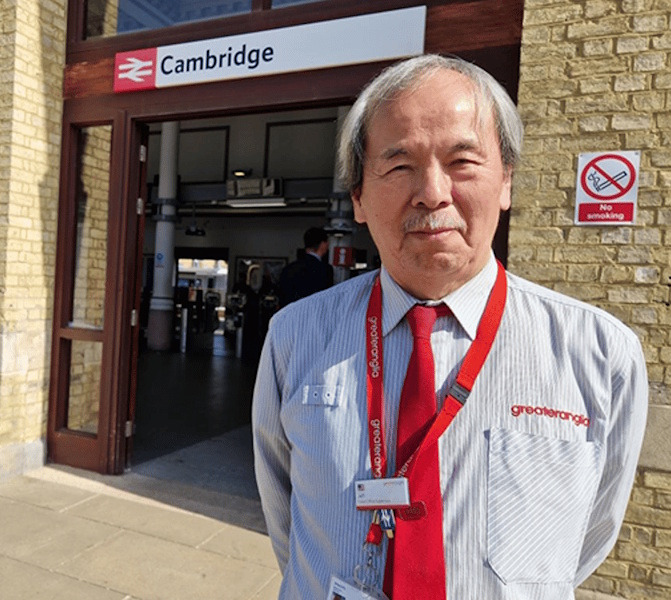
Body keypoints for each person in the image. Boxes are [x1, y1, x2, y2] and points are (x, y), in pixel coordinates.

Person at [252, 54, 648, 600]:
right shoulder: (295, 337)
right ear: (360, 198)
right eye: (398, 165)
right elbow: (287, 520)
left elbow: (588, 538)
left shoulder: (601, 355)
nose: (433, 193)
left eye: (462, 161)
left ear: (506, 181)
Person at [277, 227, 335, 307]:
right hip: (313, 315)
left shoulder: (289, 268)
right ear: (323, 245)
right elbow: (327, 299)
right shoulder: (325, 270)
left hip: (291, 315)